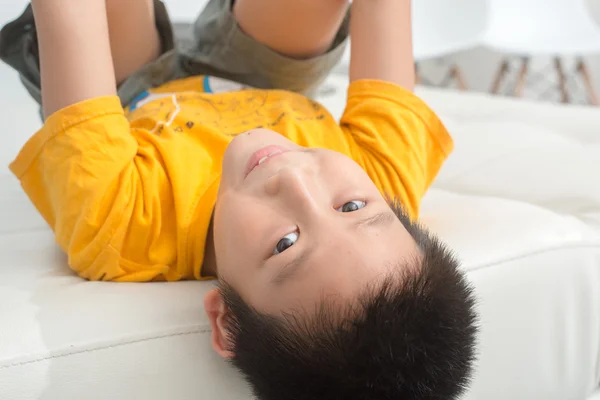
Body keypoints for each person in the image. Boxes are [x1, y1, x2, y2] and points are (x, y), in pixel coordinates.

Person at [0, 0, 478, 398]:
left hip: (127, 98)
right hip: (262, 78)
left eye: (286, 242)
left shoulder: (124, 223)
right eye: (351, 208)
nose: (292, 177)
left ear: (227, 321)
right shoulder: (385, 185)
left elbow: (64, 14)